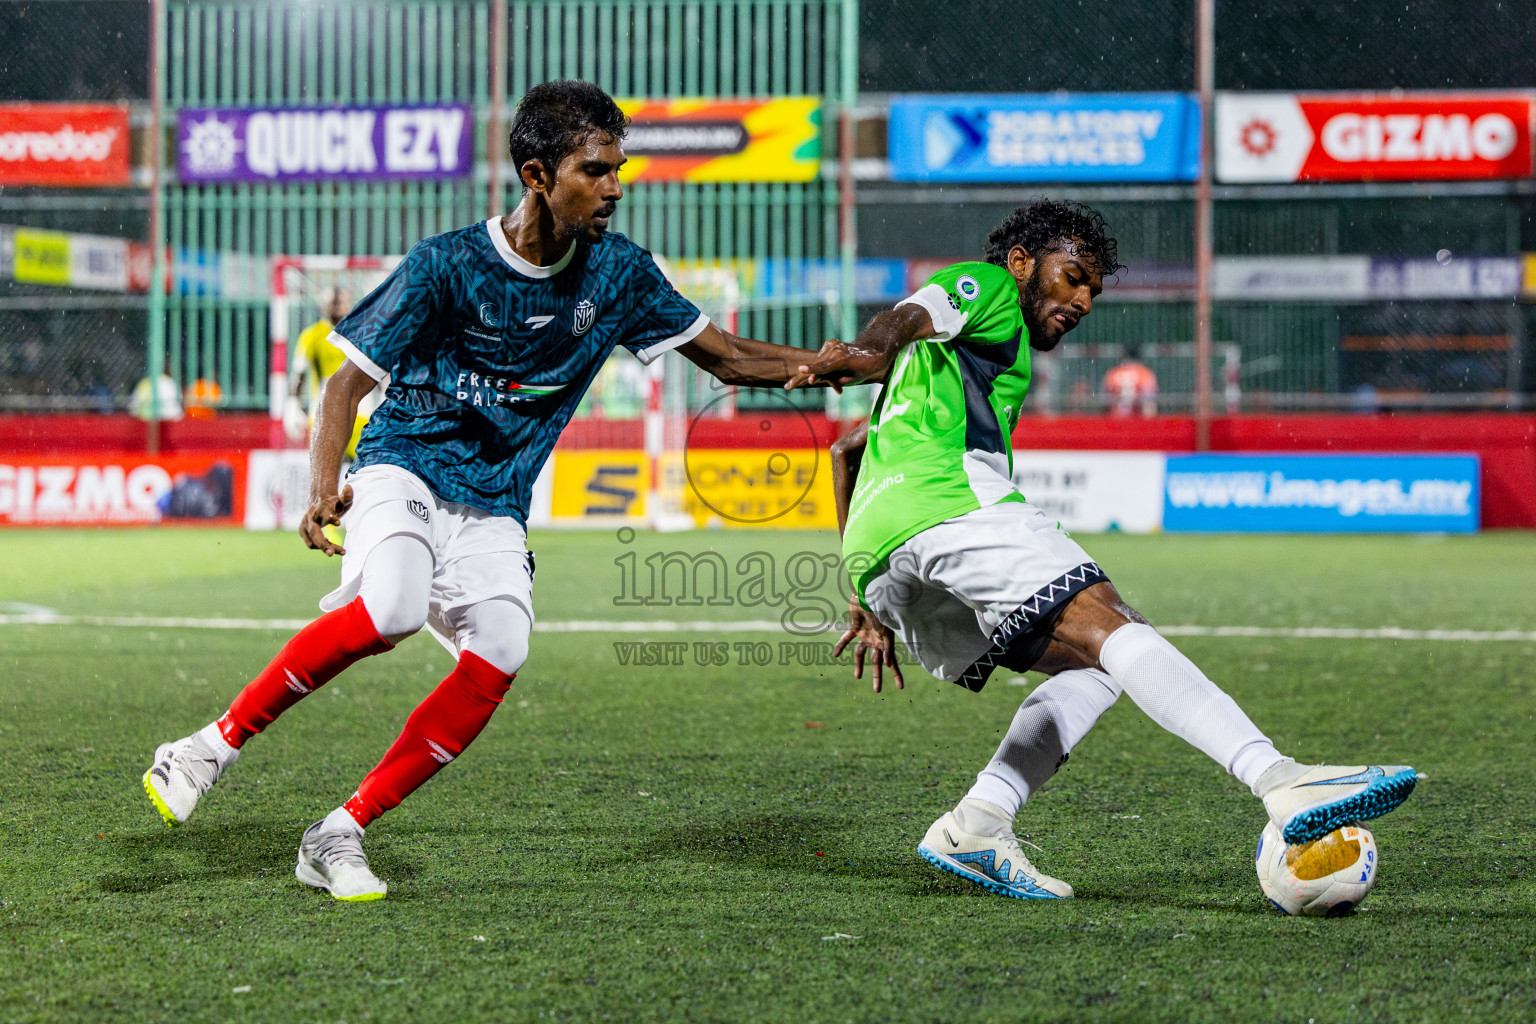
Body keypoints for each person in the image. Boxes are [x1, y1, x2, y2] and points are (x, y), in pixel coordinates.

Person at [143, 80, 874, 902]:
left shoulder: (621, 274)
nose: (614, 187)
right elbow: (345, 386)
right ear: (537, 174)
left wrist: (835, 361)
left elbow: (730, 357)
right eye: (595, 171)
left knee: (501, 651)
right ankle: (206, 747)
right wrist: (322, 488)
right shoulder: (445, 265)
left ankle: (339, 832)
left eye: (618, 168)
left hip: (495, 499)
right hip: (406, 459)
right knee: (388, 608)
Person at [827, 198, 1418, 901]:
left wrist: (865, 600)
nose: (1080, 300)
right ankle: (1280, 781)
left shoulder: (945, 379)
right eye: (1071, 276)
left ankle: (978, 823)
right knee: (1112, 624)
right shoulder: (986, 289)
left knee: (1094, 669)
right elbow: (905, 317)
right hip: (942, 501)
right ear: (1021, 263)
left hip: (881, 551)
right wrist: (869, 347)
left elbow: (846, 449)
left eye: (1092, 291)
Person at [284, 287, 378, 460]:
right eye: (333, 301)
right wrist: (292, 404)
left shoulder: (363, 333)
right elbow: (299, 373)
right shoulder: (312, 335)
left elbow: (379, 373)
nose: (336, 305)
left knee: (359, 472)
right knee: (325, 471)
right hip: (324, 412)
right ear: (324, 306)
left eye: (340, 301)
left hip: (362, 413)